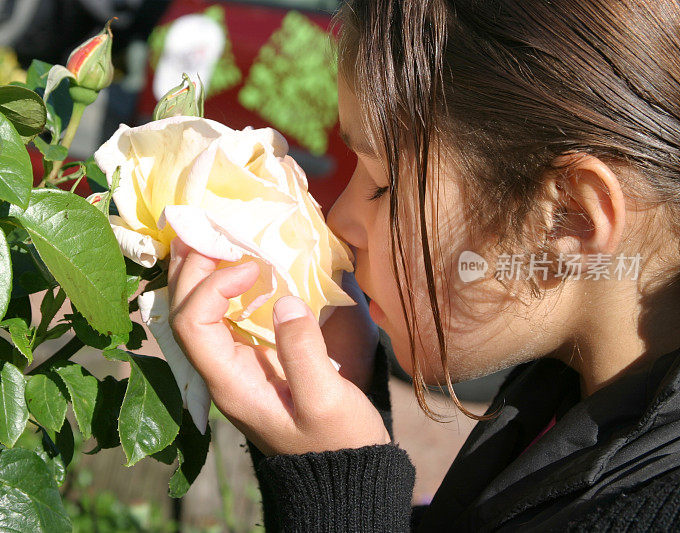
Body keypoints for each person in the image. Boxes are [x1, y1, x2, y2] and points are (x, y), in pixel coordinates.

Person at [165, 0, 680, 530]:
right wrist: (337, 421)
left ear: (567, 217)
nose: (340, 221)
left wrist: (334, 486)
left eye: (382, 183)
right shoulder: (564, 396)